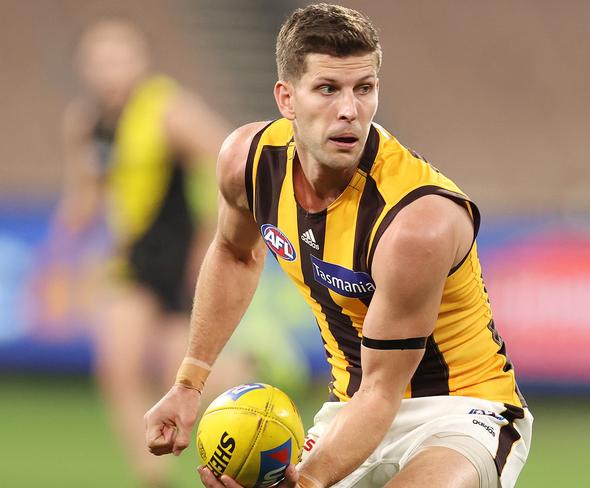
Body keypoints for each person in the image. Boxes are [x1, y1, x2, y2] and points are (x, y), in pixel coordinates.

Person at [144, 4, 533, 488]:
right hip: (351, 405)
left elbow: (383, 389)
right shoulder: (248, 162)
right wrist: (188, 384)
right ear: (286, 98)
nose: (349, 110)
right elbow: (236, 253)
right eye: (328, 89)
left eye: (363, 89)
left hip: (457, 411)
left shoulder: (416, 223)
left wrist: (304, 484)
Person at [55, 18, 251, 488]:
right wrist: (59, 257)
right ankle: (152, 474)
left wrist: (215, 238)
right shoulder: (87, 124)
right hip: (134, 262)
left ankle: (254, 392)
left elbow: (232, 157)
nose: (110, 69)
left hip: (185, 259)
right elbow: (85, 197)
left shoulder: (168, 109)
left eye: (119, 57)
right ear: (85, 67)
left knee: (193, 374)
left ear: (140, 61)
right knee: (116, 365)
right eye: (100, 60)